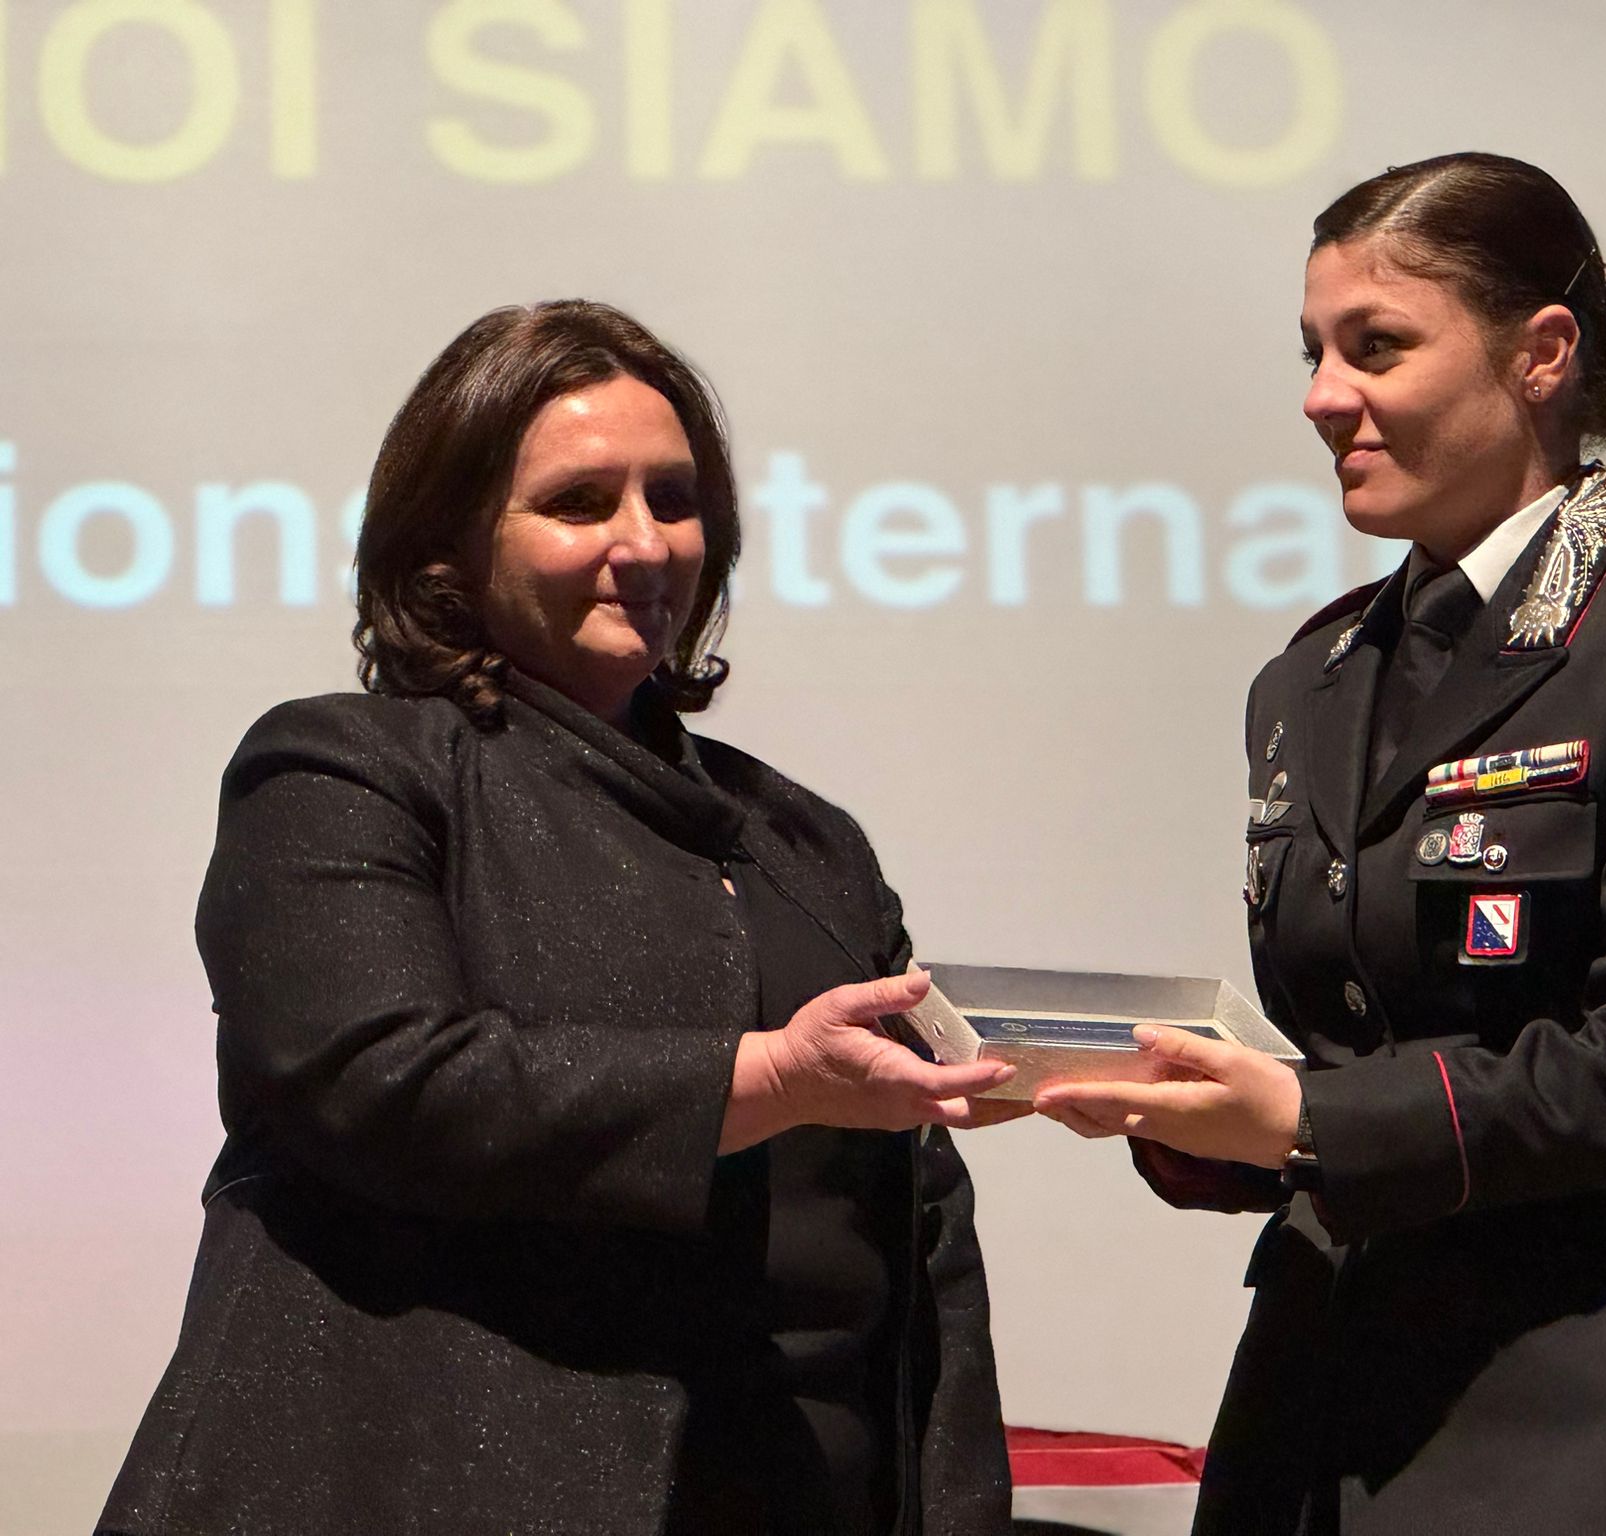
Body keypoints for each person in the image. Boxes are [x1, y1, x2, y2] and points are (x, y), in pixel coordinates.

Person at [99, 300, 1025, 1536]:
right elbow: (371, 1078)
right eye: (580, 504)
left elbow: (920, 1217)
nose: (644, 544)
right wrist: (765, 1079)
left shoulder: (806, 836)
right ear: (450, 544)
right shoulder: (344, 768)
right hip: (420, 1488)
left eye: (675, 500)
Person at [1036, 153, 1606, 1534]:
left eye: (1376, 347)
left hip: (1597, 1420)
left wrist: (1308, 1119)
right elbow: (1363, 1048)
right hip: (1325, 1413)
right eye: (1313, 352)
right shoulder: (1312, 675)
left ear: (1542, 353)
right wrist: (1206, 1118)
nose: (1321, 395)